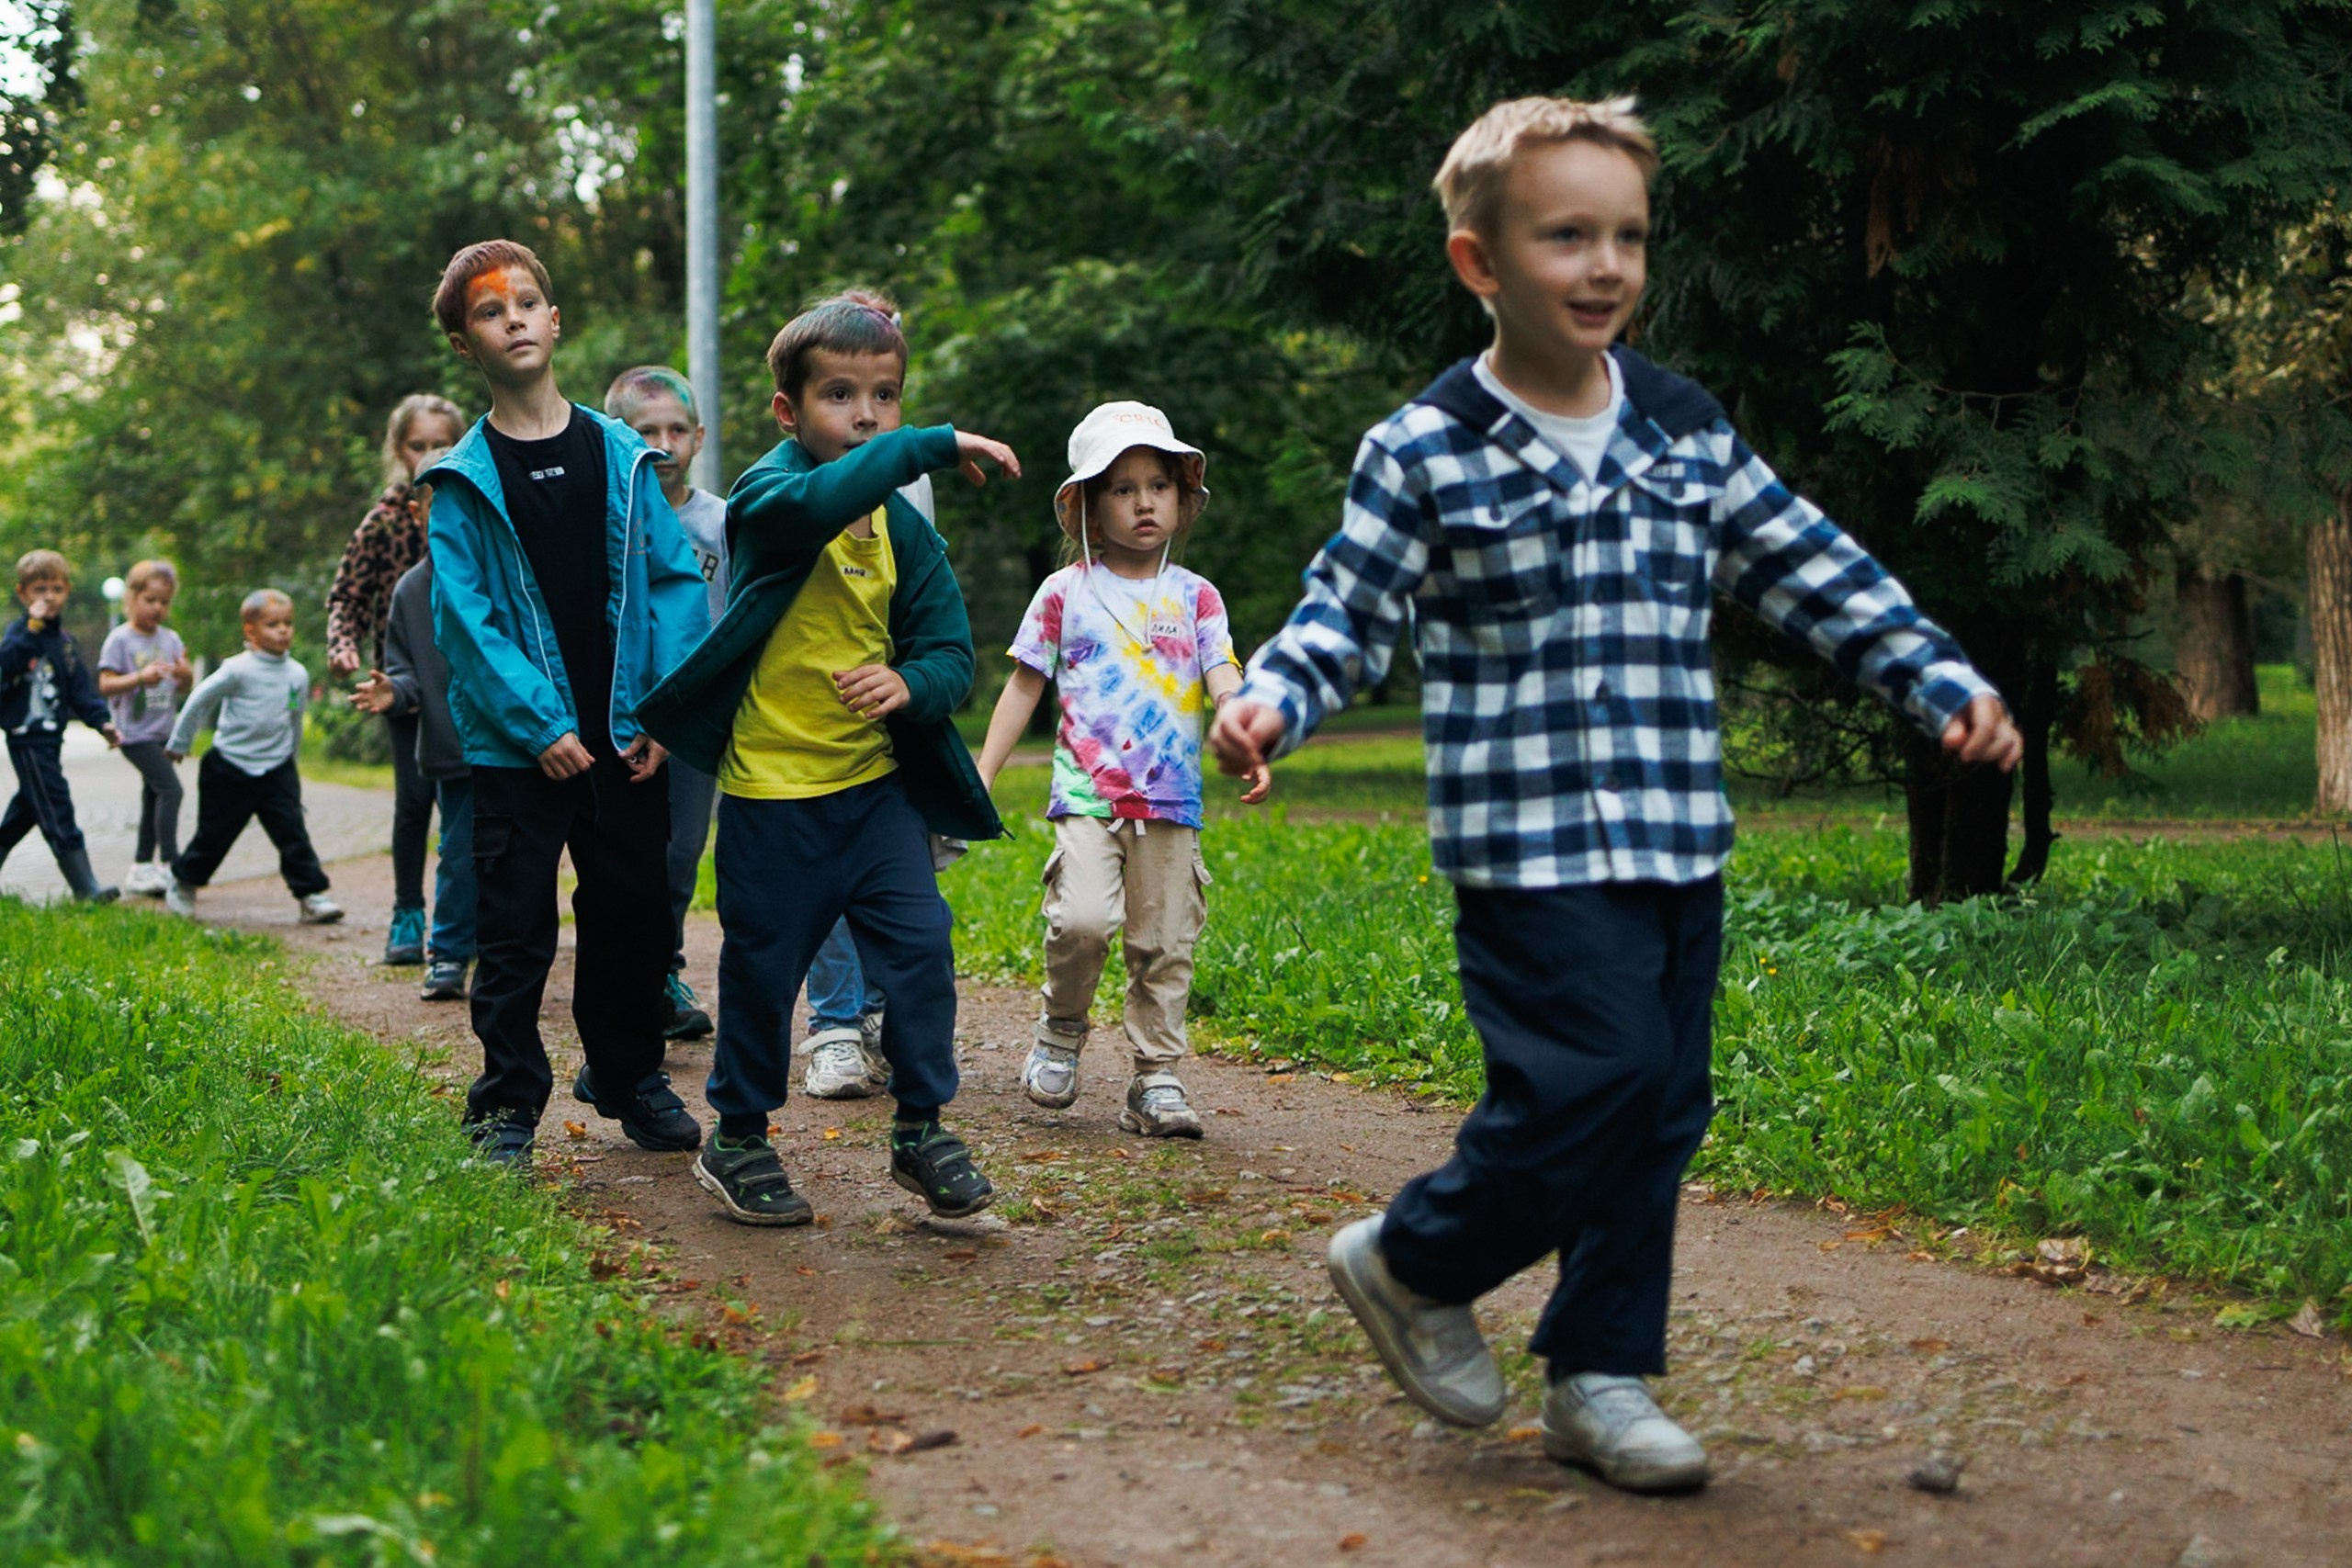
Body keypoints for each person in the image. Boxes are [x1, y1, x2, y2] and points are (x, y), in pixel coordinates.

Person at [1208, 96, 2023, 1494]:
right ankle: (1415, 1258)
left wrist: (1934, 677)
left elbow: (1809, 566)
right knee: (1593, 1077)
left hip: (1671, 831)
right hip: (1525, 842)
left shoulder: (1681, 429)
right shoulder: (1427, 445)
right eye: (1567, 235)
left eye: (1628, 238)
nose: (1605, 267)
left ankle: (1599, 1372)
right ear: (1482, 261)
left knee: (1659, 1106)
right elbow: (1349, 609)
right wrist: (1276, 693)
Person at [636, 288, 1016, 1227]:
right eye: (839, 397)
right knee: (763, 976)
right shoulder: (769, 499)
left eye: (885, 397)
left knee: (923, 953)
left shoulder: (905, 532)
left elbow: (952, 653)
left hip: (876, 794)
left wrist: (910, 688)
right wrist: (925, 443)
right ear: (788, 412)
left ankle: (922, 1129)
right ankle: (739, 1137)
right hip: (773, 797)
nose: (867, 418)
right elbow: (823, 498)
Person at [416, 238, 712, 1170]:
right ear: (467, 344)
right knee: (511, 933)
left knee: (630, 918)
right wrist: (537, 724)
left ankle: (627, 1076)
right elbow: (464, 620)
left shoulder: (622, 455)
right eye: (489, 311)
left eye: (526, 302)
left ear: (554, 320)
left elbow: (673, 585)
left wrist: (664, 710)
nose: (513, 318)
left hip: (627, 741)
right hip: (519, 753)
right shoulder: (463, 479)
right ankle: (505, 1103)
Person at [975, 400, 1271, 1138]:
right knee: (1080, 920)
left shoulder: (1196, 595)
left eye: (1158, 484)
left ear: (1182, 497)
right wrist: (980, 772)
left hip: (1170, 801)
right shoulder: (1064, 593)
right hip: (1086, 795)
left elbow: (1223, 675)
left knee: (1165, 939)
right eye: (1122, 486)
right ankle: (1062, 1025)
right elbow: (1023, 685)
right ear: (1086, 506)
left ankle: (1155, 1076)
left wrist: (1246, 729)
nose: (1143, 501)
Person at [602, 364, 721, 1043]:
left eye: (678, 429)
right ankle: (631, 974)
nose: (665, 443)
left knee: (680, 854)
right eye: (647, 431)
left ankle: (662, 969)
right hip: (623, 713)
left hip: (696, 721)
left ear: (699, 436)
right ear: (620, 438)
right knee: (625, 853)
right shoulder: (608, 522)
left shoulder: (720, 523)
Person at [326, 392, 468, 966]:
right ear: (398, 451)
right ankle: (408, 909)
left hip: (459, 678)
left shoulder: (471, 509)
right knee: (414, 800)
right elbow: (347, 596)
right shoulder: (385, 521)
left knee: (474, 808)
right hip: (402, 675)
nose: (429, 453)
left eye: (442, 443)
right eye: (418, 445)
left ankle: (468, 919)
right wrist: (343, 646)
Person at [163, 589, 343, 925]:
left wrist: (292, 760)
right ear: (251, 632)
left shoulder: (297, 674)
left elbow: (294, 718)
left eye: (288, 623)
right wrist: (180, 742)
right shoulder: (237, 669)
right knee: (215, 834)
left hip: (276, 769)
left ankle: (311, 895)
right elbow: (200, 700)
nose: (283, 630)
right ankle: (183, 882)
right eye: (273, 624)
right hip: (229, 767)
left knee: (293, 833)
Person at [350, 552, 476, 1002]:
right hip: (453, 746)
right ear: (419, 513)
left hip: (519, 740)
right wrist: (396, 691)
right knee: (459, 849)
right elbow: (405, 670)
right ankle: (448, 952)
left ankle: (497, 946)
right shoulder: (412, 589)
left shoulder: (501, 565)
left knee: (513, 853)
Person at [0, 548, 123, 900]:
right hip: (27, 736)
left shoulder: (65, 643)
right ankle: (85, 888)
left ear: (67, 590)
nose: (48, 597)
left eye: (55, 588)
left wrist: (103, 723)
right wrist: (32, 626)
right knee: (55, 804)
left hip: (51, 736)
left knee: (28, 807)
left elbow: (80, 691)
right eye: (39, 590)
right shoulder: (19, 635)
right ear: (23, 593)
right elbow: (7, 662)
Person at [97, 559, 193, 897]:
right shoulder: (120, 640)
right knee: (171, 790)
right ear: (132, 598)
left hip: (163, 731)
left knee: (155, 796)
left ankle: (141, 868)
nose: (157, 608)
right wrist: (140, 677)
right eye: (150, 600)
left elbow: (184, 684)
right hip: (134, 735)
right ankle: (171, 863)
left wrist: (184, 674)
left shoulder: (170, 638)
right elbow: (105, 684)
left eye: (164, 602)